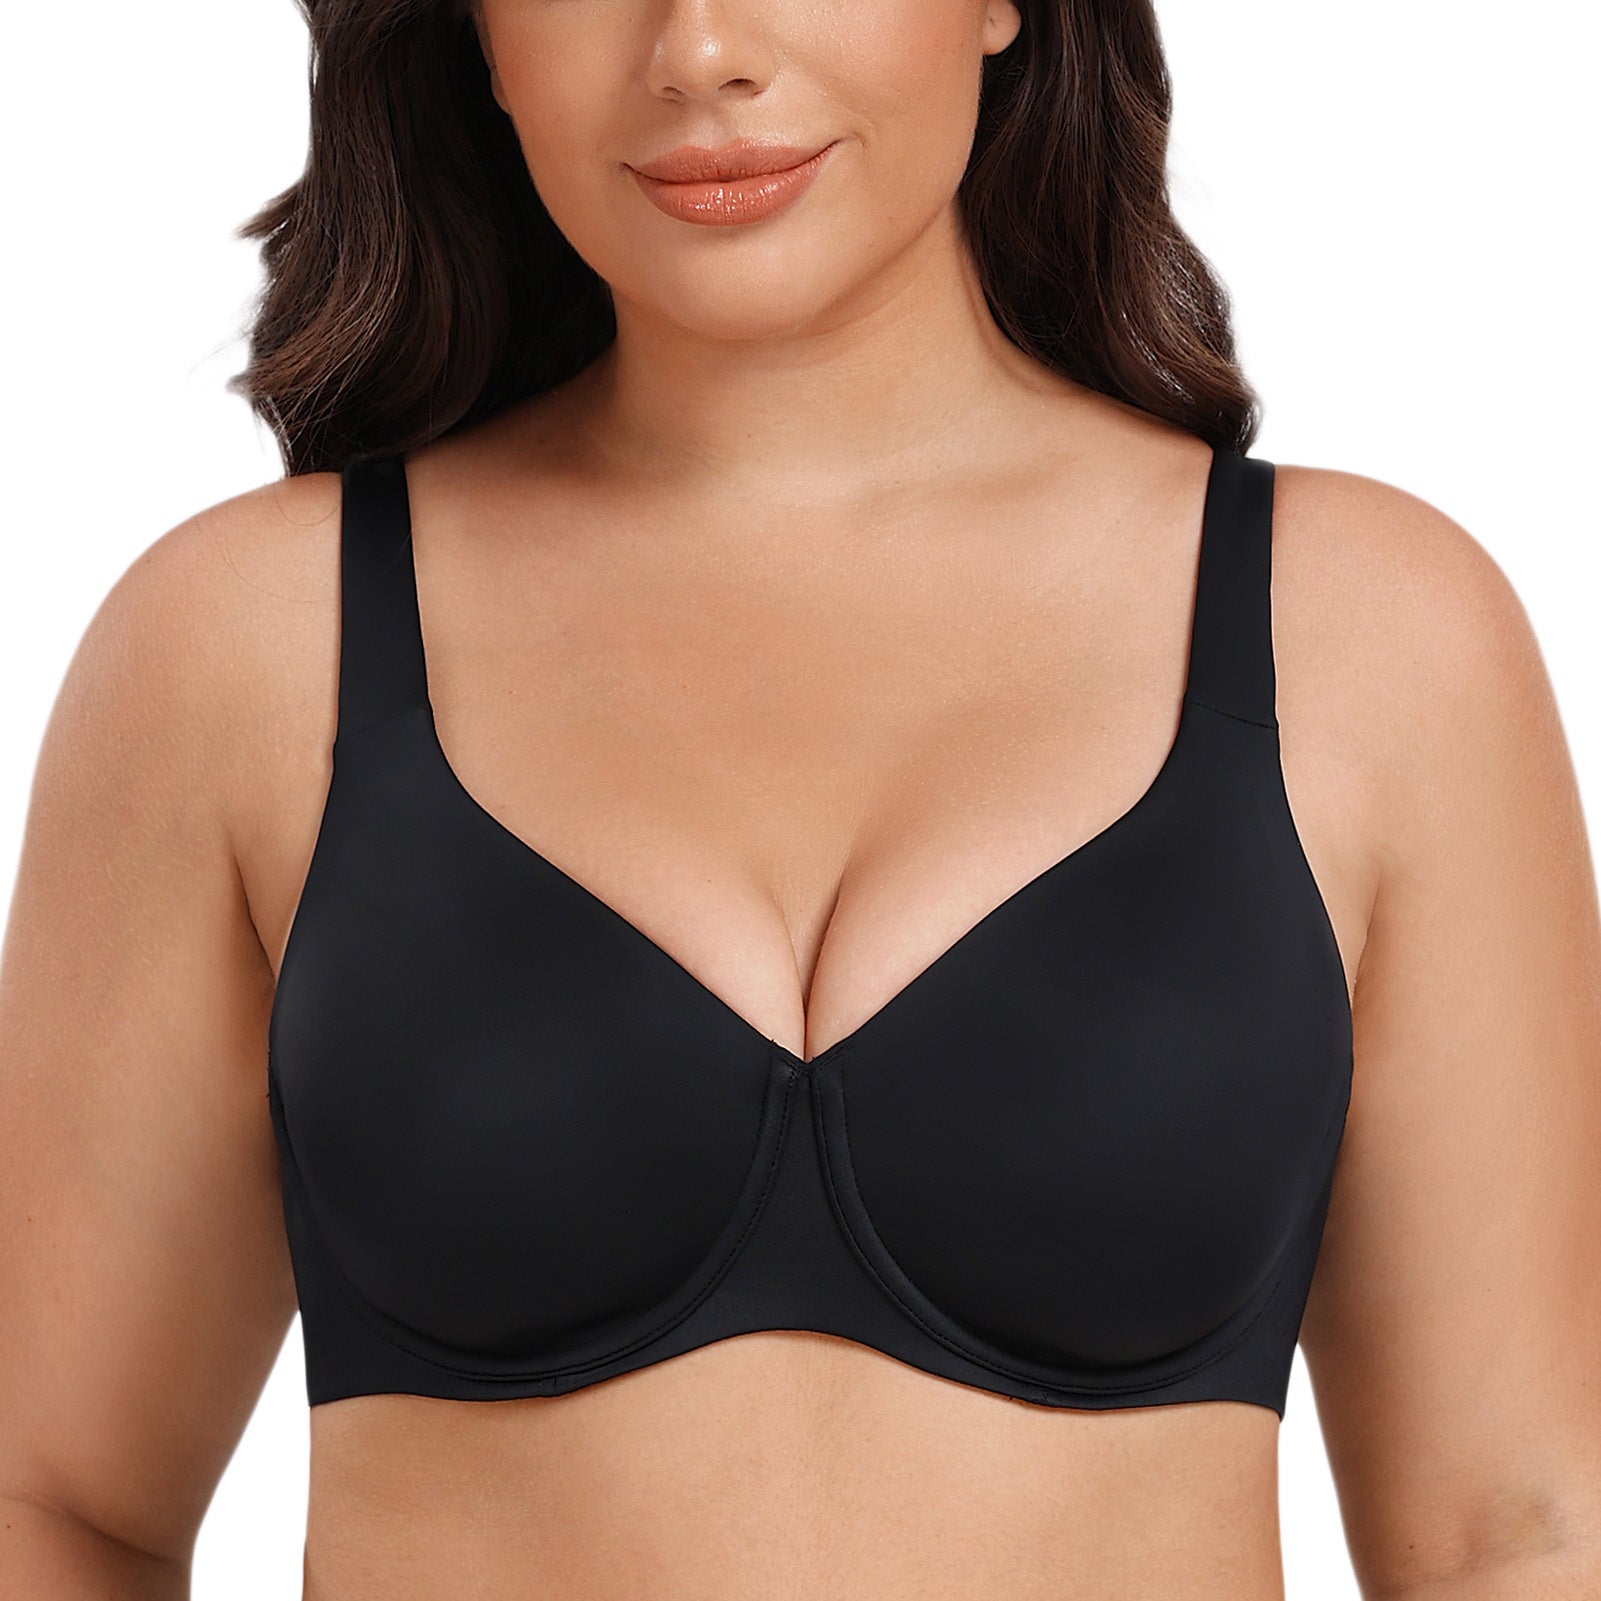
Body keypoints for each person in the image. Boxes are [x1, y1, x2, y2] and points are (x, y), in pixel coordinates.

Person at [2, 1, 1598, 1597]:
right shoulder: (251, 649)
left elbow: (1517, 1531)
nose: (698, 50)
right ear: (478, 33)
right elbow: (48, 1499)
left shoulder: (1365, 639)